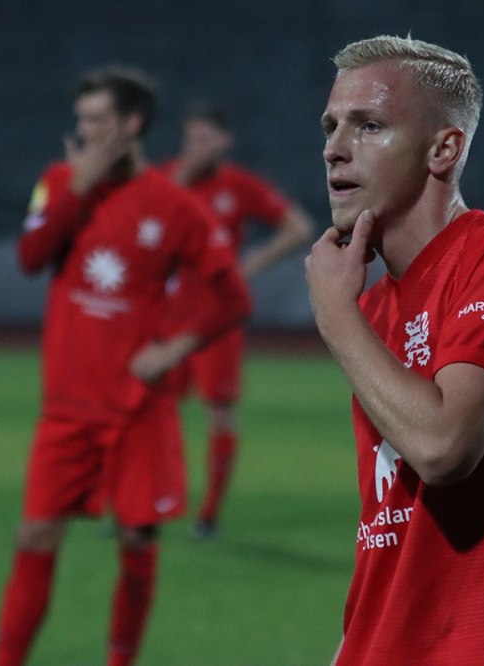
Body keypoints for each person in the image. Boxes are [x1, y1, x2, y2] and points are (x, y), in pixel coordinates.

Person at [305, 35, 484, 665]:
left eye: (369, 125)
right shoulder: (373, 309)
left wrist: (334, 316)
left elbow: (443, 448)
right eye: (330, 126)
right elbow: (391, 523)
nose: (334, 148)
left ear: (444, 149)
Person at [0, 65, 252, 666]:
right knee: (34, 535)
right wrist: (78, 186)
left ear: (132, 124)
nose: (84, 130)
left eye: (97, 119)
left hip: (138, 409)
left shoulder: (175, 207)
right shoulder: (59, 182)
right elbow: (30, 257)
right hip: (67, 408)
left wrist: (174, 349)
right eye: (80, 119)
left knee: (137, 544)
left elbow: (234, 297)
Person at [162, 103, 314, 538]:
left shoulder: (238, 185)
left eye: (204, 138)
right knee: (152, 408)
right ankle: (148, 502)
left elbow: (298, 227)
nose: (195, 146)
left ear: (223, 142)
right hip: (166, 313)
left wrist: (250, 266)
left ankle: (208, 514)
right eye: (190, 138)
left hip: (217, 317)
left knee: (219, 411)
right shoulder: (167, 178)